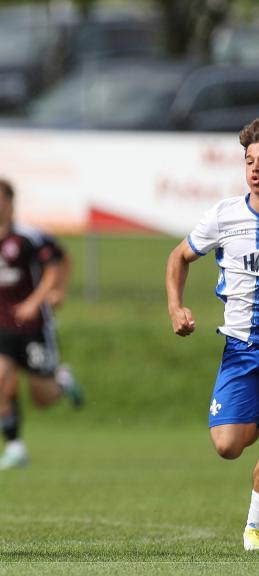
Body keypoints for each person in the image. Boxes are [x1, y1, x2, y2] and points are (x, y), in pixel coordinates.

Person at [166, 117, 259, 551]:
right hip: (241, 350)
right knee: (227, 445)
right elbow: (179, 257)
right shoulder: (225, 216)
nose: (255, 168)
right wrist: (175, 306)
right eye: (249, 160)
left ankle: (254, 526)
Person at [0, 178, 82, 470]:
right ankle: (14, 447)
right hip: (1, 325)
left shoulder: (29, 237)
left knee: (42, 397)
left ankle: (62, 381)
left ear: (11, 203)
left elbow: (55, 265)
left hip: (34, 327)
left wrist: (39, 299)